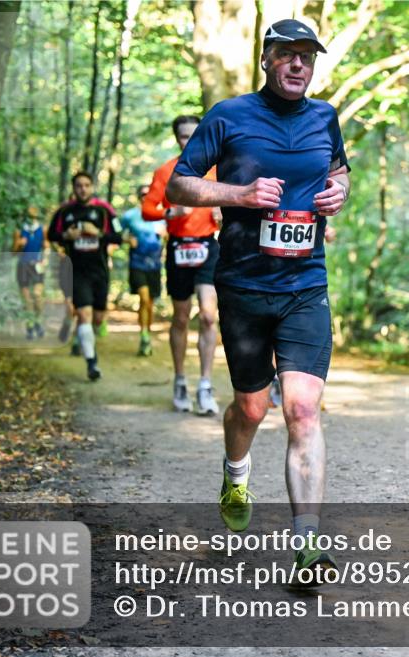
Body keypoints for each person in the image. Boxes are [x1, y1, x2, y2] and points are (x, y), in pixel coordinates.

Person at [166, 19, 350, 583]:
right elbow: (179, 184)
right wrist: (239, 194)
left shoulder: (325, 118)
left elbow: (340, 171)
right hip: (244, 285)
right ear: (266, 59)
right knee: (251, 407)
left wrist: (339, 193)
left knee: (302, 409)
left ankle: (308, 547)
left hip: (305, 285)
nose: (298, 64)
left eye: (307, 57)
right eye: (288, 54)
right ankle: (235, 471)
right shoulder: (228, 116)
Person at [142, 115, 221, 415]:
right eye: (183, 136)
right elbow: (147, 209)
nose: (188, 141)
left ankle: (205, 385)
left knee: (209, 316)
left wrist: (222, 212)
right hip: (178, 247)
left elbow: (235, 200)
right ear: (177, 138)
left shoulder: (215, 170)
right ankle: (179, 380)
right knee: (181, 317)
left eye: (193, 135)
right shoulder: (166, 171)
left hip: (207, 246)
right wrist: (171, 212)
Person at [47, 171, 122, 380]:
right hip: (76, 271)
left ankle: (84, 339)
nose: (83, 189)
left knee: (97, 318)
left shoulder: (104, 210)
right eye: (79, 185)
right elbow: (51, 234)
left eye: (87, 185)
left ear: (92, 187)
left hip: (99, 271)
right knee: (83, 314)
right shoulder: (64, 211)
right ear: (74, 188)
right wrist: (66, 235)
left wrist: (97, 233)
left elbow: (118, 237)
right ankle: (92, 363)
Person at [122, 184, 166, 356]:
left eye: (149, 194)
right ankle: (144, 335)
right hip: (137, 264)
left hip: (154, 265)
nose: (146, 197)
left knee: (149, 304)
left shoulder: (161, 216)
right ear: (138, 197)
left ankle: (146, 335)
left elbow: (171, 235)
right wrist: (127, 239)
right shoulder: (130, 216)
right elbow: (116, 231)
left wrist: (165, 235)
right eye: (143, 194)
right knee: (144, 298)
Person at [12, 205, 49, 340]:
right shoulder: (19, 231)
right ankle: (30, 326)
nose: (31, 218)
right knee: (27, 299)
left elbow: (47, 247)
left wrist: (45, 258)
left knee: (37, 296)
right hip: (23, 266)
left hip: (37, 266)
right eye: (29, 215)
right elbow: (13, 252)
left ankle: (38, 322)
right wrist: (19, 244)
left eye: (34, 215)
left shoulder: (42, 229)